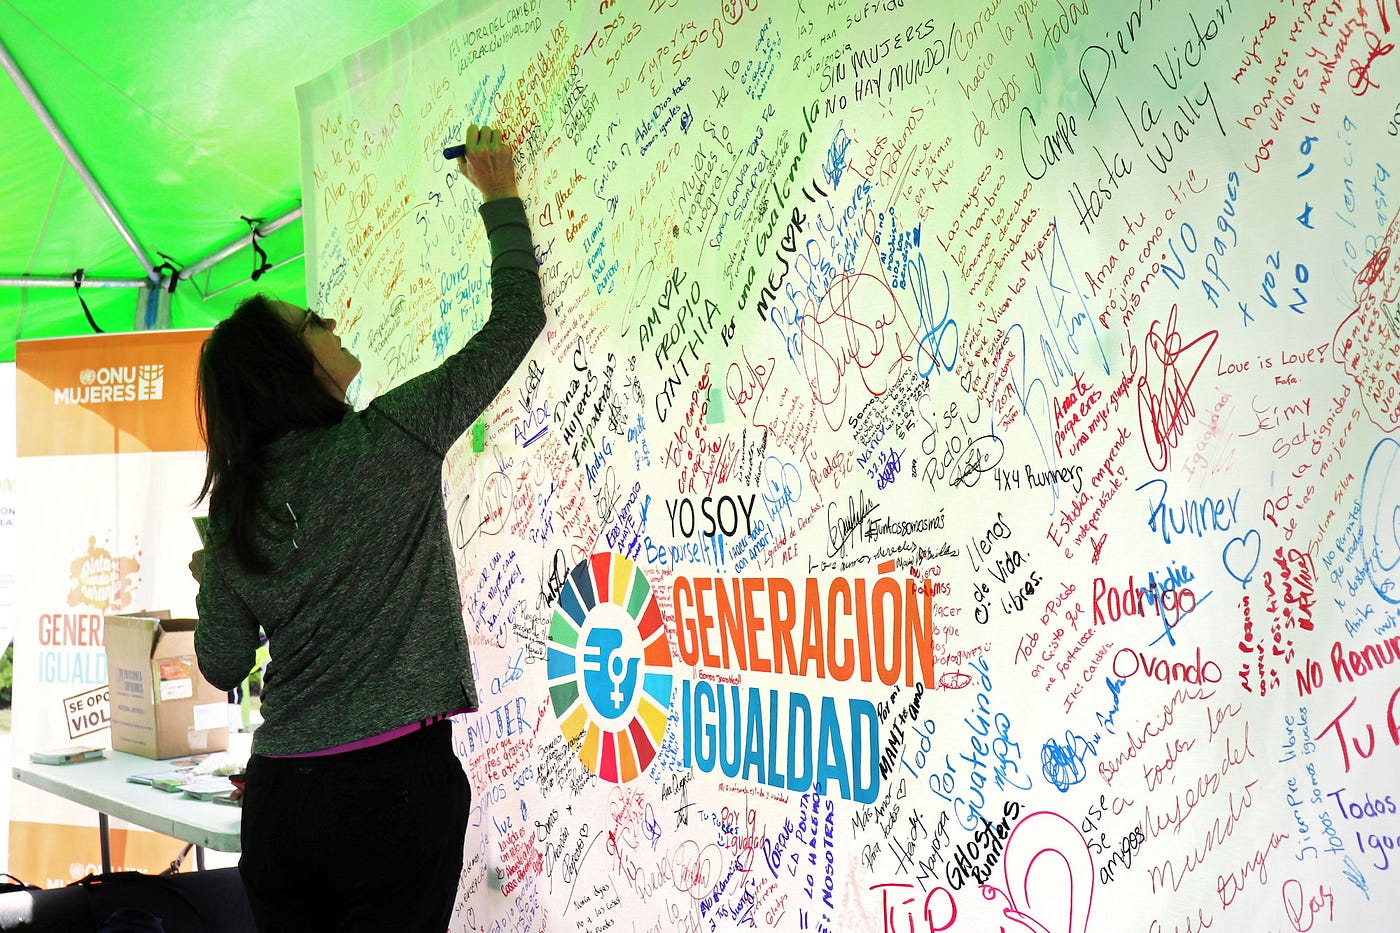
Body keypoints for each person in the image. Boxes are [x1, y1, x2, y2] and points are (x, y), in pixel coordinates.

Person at [191, 125, 544, 932]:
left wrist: (216, 578)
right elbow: (515, 321)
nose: (333, 321)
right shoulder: (393, 436)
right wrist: (499, 199)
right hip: (394, 792)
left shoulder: (236, 509)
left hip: (283, 800)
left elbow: (221, 663)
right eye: (314, 322)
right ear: (291, 367)